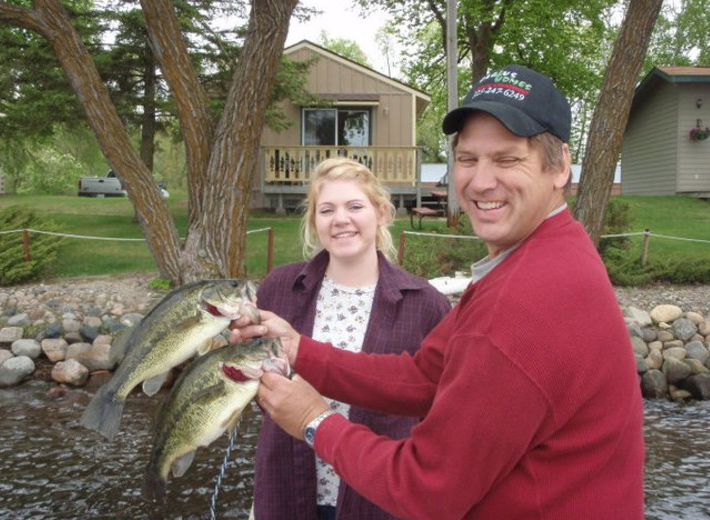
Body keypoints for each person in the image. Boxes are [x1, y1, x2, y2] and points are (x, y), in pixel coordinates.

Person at [233, 65, 645, 519]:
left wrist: (314, 422)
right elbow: (425, 378)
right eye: (467, 159)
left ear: (560, 166)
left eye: (507, 159)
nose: (481, 181)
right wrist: (297, 349)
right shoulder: (546, 255)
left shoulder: (523, 300)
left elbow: (428, 489)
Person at [249, 157, 451, 520]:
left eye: (355, 206)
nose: (340, 219)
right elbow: (255, 387)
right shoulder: (279, 288)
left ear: (382, 213)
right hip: (289, 492)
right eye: (327, 210)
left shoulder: (426, 305)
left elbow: (443, 414)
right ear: (314, 221)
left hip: (380, 501)